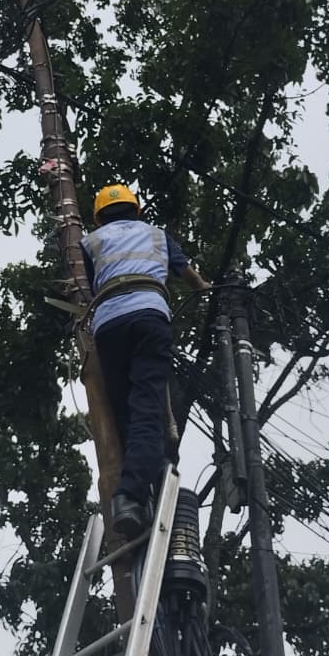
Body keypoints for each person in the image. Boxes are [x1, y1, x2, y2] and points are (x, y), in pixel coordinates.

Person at [81, 183, 211, 538]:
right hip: (150, 316)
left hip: (108, 324)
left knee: (124, 409)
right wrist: (204, 290)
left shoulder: (90, 242)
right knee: (147, 409)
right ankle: (132, 495)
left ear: (99, 216)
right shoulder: (156, 235)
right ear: (135, 210)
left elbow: (92, 287)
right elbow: (187, 272)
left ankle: (141, 489)